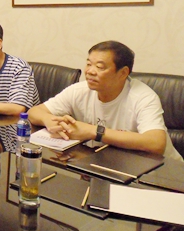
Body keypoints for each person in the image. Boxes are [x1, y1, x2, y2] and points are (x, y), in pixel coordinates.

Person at [28, 41, 182, 160]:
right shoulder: (79, 91)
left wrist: (92, 131)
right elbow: (34, 112)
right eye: (89, 64)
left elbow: (156, 143)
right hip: (110, 164)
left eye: (100, 67)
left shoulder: (143, 97)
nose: (90, 71)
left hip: (161, 175)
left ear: (123, 73)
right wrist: (50, 120)